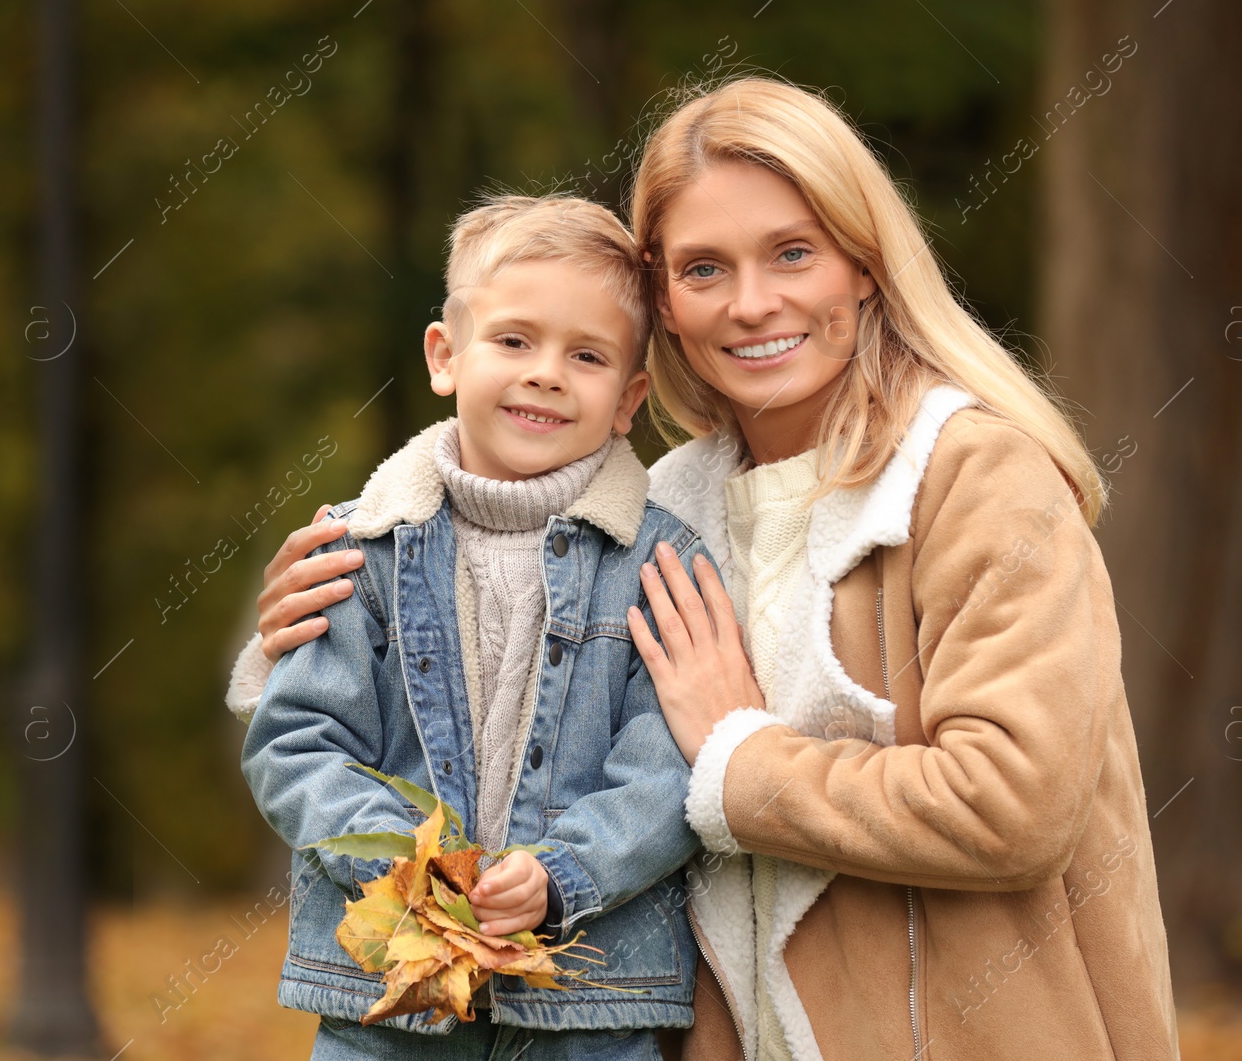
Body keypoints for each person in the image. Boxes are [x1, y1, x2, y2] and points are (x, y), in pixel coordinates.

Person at [238, 77, 1179, 1059]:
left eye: (792, 252)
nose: (751, 302)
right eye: (701, 269)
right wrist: (323, 618)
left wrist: (742, 756)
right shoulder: (667, 507)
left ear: (864, 264)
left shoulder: (973, 477)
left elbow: (1012, 805)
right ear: (665, 306)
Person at [238, 194, 711, 1060]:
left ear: (628, 399)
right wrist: (419, 871)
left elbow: (675, 759)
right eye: (514, 340)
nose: (546, 373)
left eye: (588, 355)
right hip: (394, 994)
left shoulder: (660, 563)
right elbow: (296, 743)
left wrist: (562, 875)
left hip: (587, 1005)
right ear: (444, 356)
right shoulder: (361, 549)